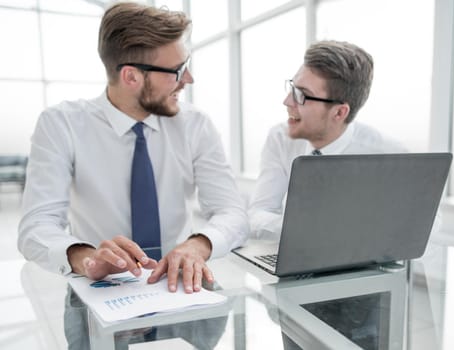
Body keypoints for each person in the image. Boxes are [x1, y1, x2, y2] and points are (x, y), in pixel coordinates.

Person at [18, 2, 248, 294]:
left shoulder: (196, 125)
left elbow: (233, 212)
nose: (188, 79)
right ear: (131, 77)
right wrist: (86, 257)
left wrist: (197, 244)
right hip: (99, 292)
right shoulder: (61, 124)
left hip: (180, 288)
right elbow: (35, 226)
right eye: (177, 70)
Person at [249, 40, 407, 240]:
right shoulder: (281, 138)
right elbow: (258, 214)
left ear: (340, 112)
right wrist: (308, 230)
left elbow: (426, 224)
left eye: (302, 95)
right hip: (296, 257)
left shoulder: (390, 156)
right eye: (292, 88)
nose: (287, 101)